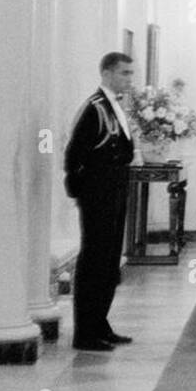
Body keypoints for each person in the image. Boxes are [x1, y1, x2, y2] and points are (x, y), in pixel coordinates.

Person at [63, 52, 137, 351]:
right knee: (95, 260)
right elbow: (74, 155)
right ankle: (85, 331)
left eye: (131, 74)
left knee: (109, 261)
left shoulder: (115, 105)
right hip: (98, 196)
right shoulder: (94, 108)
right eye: (124, 73)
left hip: (115, 192)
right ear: (107, 73)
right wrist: (86, 193)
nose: (129, 79)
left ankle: (100, 322)